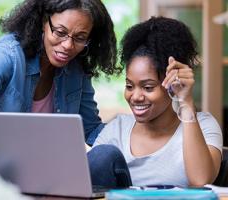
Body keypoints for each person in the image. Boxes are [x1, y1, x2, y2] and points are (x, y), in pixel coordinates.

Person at [0, 0, 122, 178]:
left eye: (79, 38)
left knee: (107, 157)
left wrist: (134, 134)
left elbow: (91, 130)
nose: (68, 45)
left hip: (19, 167)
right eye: (60, 32)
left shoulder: (76, 69)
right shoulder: (8, 55)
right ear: (44, 22)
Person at [87, 16, 222, 188]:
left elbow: (200, 181)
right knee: (103, 155)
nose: (135, 96)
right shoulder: (116, 130)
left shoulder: (203, 125)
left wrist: (185, 101)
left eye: (148, 87)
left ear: (172, 83)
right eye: (129, 86)